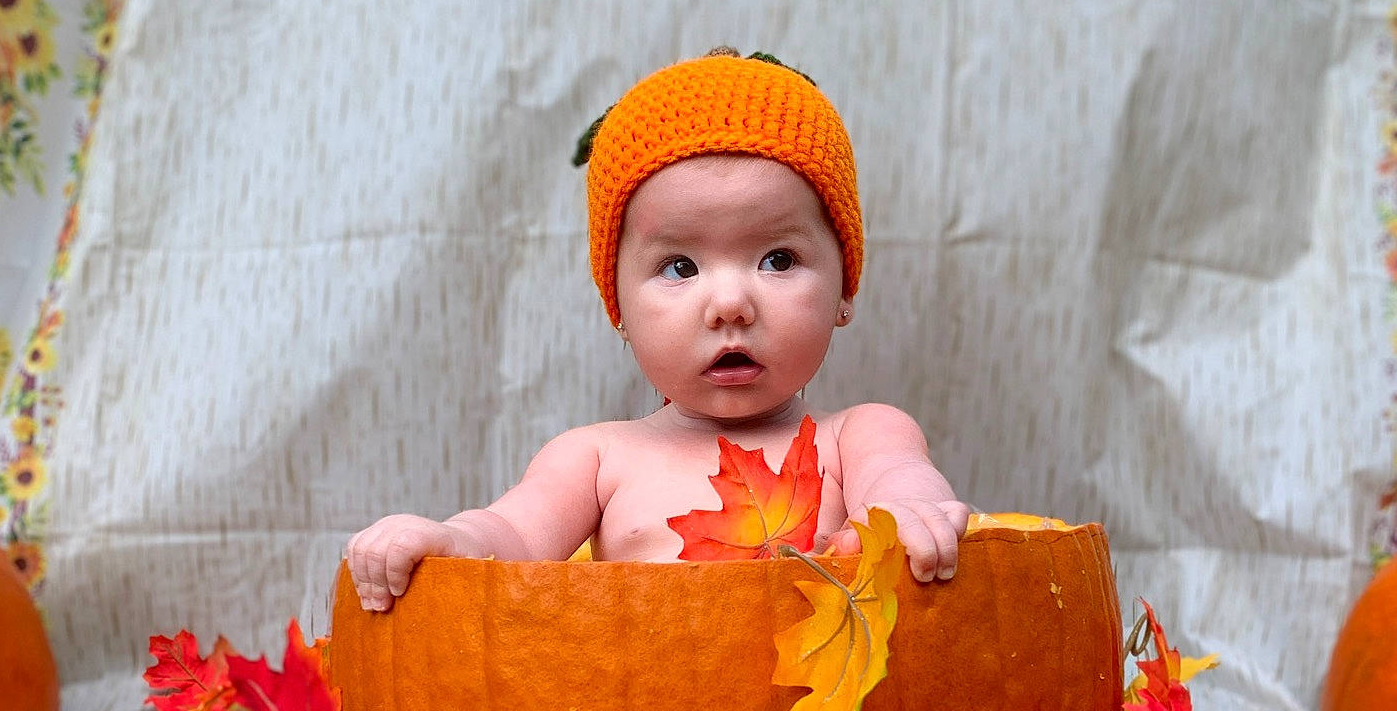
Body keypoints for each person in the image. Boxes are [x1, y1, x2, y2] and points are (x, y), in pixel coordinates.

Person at [345, 48, 968, 609]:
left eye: (778, 259)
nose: (729, 304)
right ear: (617, 307)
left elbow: (898, 477)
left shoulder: (857, 437)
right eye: (680, 266)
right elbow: (510, 535)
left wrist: (905, 513)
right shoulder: (594, 459)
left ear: (844, 287)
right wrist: (454, 540)